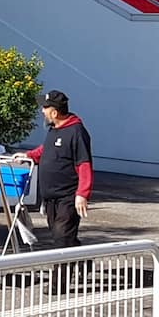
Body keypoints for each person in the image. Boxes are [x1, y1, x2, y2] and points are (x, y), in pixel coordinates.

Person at [23, 91, 93, 252]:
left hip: (67, 197)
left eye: (45, 108)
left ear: (54, 112)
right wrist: (29, 155)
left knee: (62, 239)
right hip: (50, 198)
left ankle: (59, 277)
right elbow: (47, 150)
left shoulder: (76, 132)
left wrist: (82, 194)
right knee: (61, 236)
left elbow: (84, 164)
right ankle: (82, 260)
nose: (42, 111)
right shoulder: (54, 129)